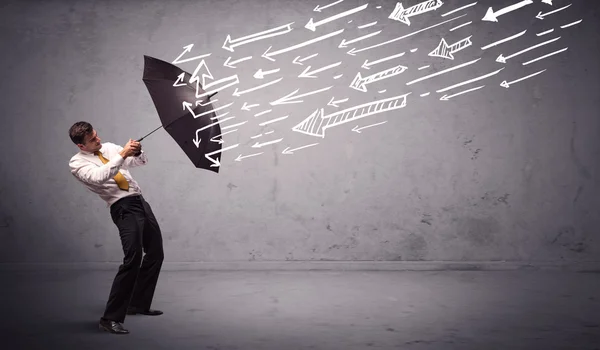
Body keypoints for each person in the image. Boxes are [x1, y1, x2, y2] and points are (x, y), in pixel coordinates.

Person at [68, 121, 164, 335]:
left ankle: (137, 304)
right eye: (92, 140)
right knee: (133, 258)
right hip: (123, 207)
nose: (98, 140)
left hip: (139, 201)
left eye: (96, 135)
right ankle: (109, 318)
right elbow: (99, 176)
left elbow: (141, 162)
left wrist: (137, 152)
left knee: (156, 253)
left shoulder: (110, 148)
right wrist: (122, 154)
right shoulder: (76, 163)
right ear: (81, 146)